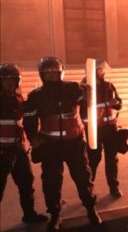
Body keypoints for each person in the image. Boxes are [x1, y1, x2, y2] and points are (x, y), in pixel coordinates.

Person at [23, 57, 101, 231]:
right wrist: (33, 138)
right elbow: (29, 120)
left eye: (55, 72)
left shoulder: (73, 89)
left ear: (61, 72)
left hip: (74, 143)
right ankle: (55, 215)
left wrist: (89, 92)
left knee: (83, 178)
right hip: (50, 146)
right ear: (42, 75)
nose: (51, 75)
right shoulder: (36, 96)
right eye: (47, 73)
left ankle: (90, 209)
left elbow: (88, 101)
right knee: (51, 182)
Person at [0, 63, 48, 224]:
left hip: (18, 149)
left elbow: (23, 123)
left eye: (13, 80)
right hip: (1, 152)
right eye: (6, 80)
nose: (10, 83)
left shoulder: (18, 98)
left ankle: (29, 215)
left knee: (26, 183)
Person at [81, 60, 124, 197]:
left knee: (112, 159)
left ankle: (114, 187)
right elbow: (84, 108)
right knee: (93, 159)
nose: (103, 73)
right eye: (101, 70)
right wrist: (106, 103)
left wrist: (117, 103)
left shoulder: (109, 86)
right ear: (94, 71)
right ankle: (89, 188)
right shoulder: (84, 88)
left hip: (110, 128)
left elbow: (119, 103)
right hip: (94, 130)